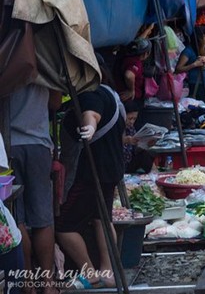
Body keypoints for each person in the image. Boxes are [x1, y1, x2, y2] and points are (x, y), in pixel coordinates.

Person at [56, 66, 126, 289]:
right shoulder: (111, 94)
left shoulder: (90, 94)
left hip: (89, 173)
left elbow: (91, 115)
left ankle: (90, 272)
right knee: (102, 220)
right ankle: (108, 272)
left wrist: (89, 128)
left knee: (63, 226)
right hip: (111, 170)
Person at [9, 83, 59, 294]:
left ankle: (27, 282)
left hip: (8, 145)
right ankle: (47, 285)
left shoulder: (5, 56)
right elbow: (56, 103)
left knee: (16, 217)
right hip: (38, 144)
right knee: (42, 219)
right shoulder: (45, 60)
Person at [176, 27, 205, 103]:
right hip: (196, 84)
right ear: (202, 37)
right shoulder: (188, 51)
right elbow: (178, 69)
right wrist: (194, 64)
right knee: (200, 108)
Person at [122, 100, 155, 174]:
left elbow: (136, 149)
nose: (132, 121)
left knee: (146, 154)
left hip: (130, 162)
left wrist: (147, 144)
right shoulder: (116, 128)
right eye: (130, 118)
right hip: (119, 164)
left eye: (134, 119)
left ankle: (154, 174)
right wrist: (126, 140)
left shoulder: (131, 128)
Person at [117, 38, 151, 104]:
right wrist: (131, 90)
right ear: (146, 53)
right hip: (130, 98)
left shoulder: (126, 58)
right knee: (132, 114)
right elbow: (129, 75)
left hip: (121, 95)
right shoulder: (136, 63)